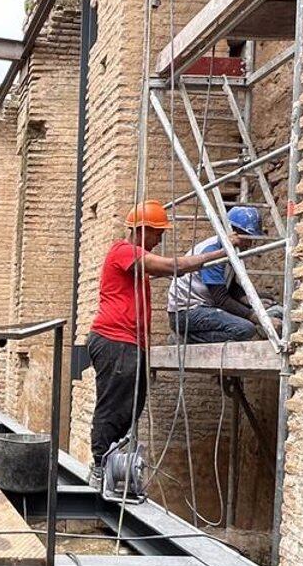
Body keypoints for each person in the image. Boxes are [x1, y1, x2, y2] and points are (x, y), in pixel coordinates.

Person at [87, 200, 228, 475]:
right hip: (115, 340)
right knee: (113, 407)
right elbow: (174, 266)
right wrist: (221, 252)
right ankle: (100, 465)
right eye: (158, 233)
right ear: (142, 229)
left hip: (129, 344)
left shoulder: (135, 260)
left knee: (131, 407)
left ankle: (111, 461)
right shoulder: (123, 251)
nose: (161, 238)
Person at [166, 205, 263, 344]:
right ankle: (184, 339)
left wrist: (249, 299)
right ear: (233, 231)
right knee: (244, 328)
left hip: (204, 307)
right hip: (185, 313)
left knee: (257, 315)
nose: (250, 243)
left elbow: (228, 286)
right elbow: (221, 298)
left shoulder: (230, 251)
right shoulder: (213, 251)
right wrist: (254, 315)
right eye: (247, 237)